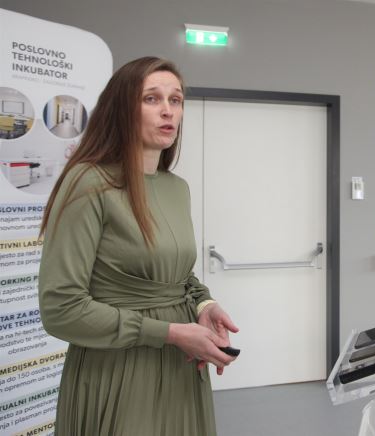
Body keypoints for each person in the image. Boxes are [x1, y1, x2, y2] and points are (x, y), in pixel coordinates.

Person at [38, 56, 238, 436]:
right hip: (118, 371)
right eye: (151, 99)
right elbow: (60, 309)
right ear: (122, 109)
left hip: (180, 368)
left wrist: (204, 304)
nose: (168, 111)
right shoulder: (89, 182)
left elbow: (178, 275)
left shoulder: (176, 188)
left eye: (175, 100)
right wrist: (169, 333)